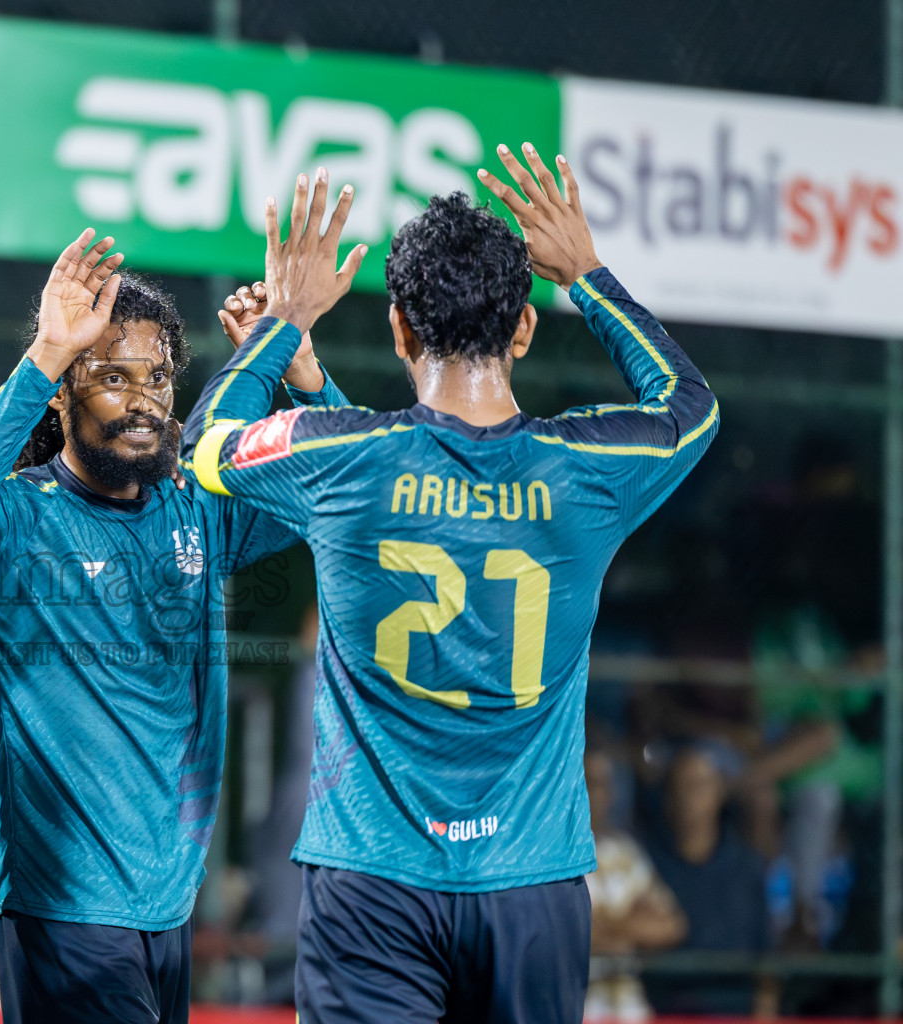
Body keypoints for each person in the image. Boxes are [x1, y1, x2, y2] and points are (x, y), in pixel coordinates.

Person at [188, 147, 718, 1024]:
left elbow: (211, 442)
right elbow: (688, 407)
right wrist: (588, 274)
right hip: (532, 885)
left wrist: (285, 326)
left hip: (372, 882)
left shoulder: (343, 456)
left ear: (398, 328)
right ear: (524, 330)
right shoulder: (586, 468)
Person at [0, 231, 346, 1024]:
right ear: (61, 395)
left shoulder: (199, 512)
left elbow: (345, 487)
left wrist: (304, 370)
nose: (143, 400)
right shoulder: (19, 516)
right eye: (111, 377)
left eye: (157, 378)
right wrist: (47, 349)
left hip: (169, 908)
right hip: (64, 908)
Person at [644, 747, 774, 1017]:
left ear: (719, 793)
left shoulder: (747, 866)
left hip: (731, 1011)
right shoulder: (643, 864)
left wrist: (765, 1010)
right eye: (677, 787)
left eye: (698, 785)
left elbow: (767, 957)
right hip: (661, 1011)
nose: (687, 797)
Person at [582, 750, 685, 1022]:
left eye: (602, 784)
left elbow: (670, 926)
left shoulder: (626, 854)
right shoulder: (551, 857)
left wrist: (605, 926)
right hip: (579, 1007)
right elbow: (565, 935)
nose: (595, 793)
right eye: (587, 781)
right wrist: (630, 923)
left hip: (630, 1010)